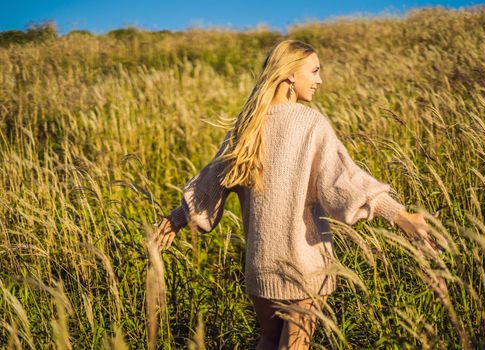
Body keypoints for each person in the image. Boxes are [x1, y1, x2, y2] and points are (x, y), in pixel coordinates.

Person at [153, 39, 437, 349]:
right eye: (314, 71)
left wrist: (177, 218)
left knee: (269, 339)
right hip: (305, 266)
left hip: (261, 267)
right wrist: (400, 215)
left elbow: (209, 186)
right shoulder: (310, 124)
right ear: (290, 75)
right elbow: (345, 184)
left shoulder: (244, 128)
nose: (319, 80)